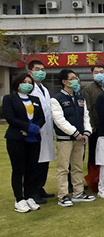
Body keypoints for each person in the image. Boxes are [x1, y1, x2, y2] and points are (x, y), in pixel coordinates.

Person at [50, 69, 95, 207]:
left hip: (80, 139)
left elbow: (86, 116)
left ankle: (78, 193)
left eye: (76, 78)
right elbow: (59, 120)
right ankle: (63, 195)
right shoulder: (56, 99)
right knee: (63, 168)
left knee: (77, 166)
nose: (76, 81)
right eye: (72, 78)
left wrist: (86, 132)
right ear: (64, 82)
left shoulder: (80, 98)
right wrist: (75, 133)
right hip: (65, 139)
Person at [2, 73, 45, 213]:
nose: (27, 84)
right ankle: (19, 199)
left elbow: (41, 118)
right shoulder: (9, 99)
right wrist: (27, 127)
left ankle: (29, 196)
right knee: (18, 169)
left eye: (29, 82)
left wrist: (34, 129)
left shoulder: (35, 99)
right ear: (17, 84)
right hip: (16, 139)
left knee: (32, 168)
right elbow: (10, 118)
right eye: (24, 82)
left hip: (33, 139)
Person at [27, 60, 55, 203]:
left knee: (45, 162)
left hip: (47, 130)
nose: (41, 72)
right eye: (37, 69)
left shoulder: (45, 89)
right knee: (35, 163)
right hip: (35, 130)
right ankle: (33, 191)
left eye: (43, 69)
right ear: (30, 71)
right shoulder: (29, 89)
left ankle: (40, 187)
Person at [81, 64, 104, 192]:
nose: (99, 74)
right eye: (96, 72)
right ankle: (94, 181)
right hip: (95, 128)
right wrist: (91, 126)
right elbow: (88, 109)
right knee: (94, 155)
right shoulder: (88, 89)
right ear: (92, 74)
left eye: (101, 71)